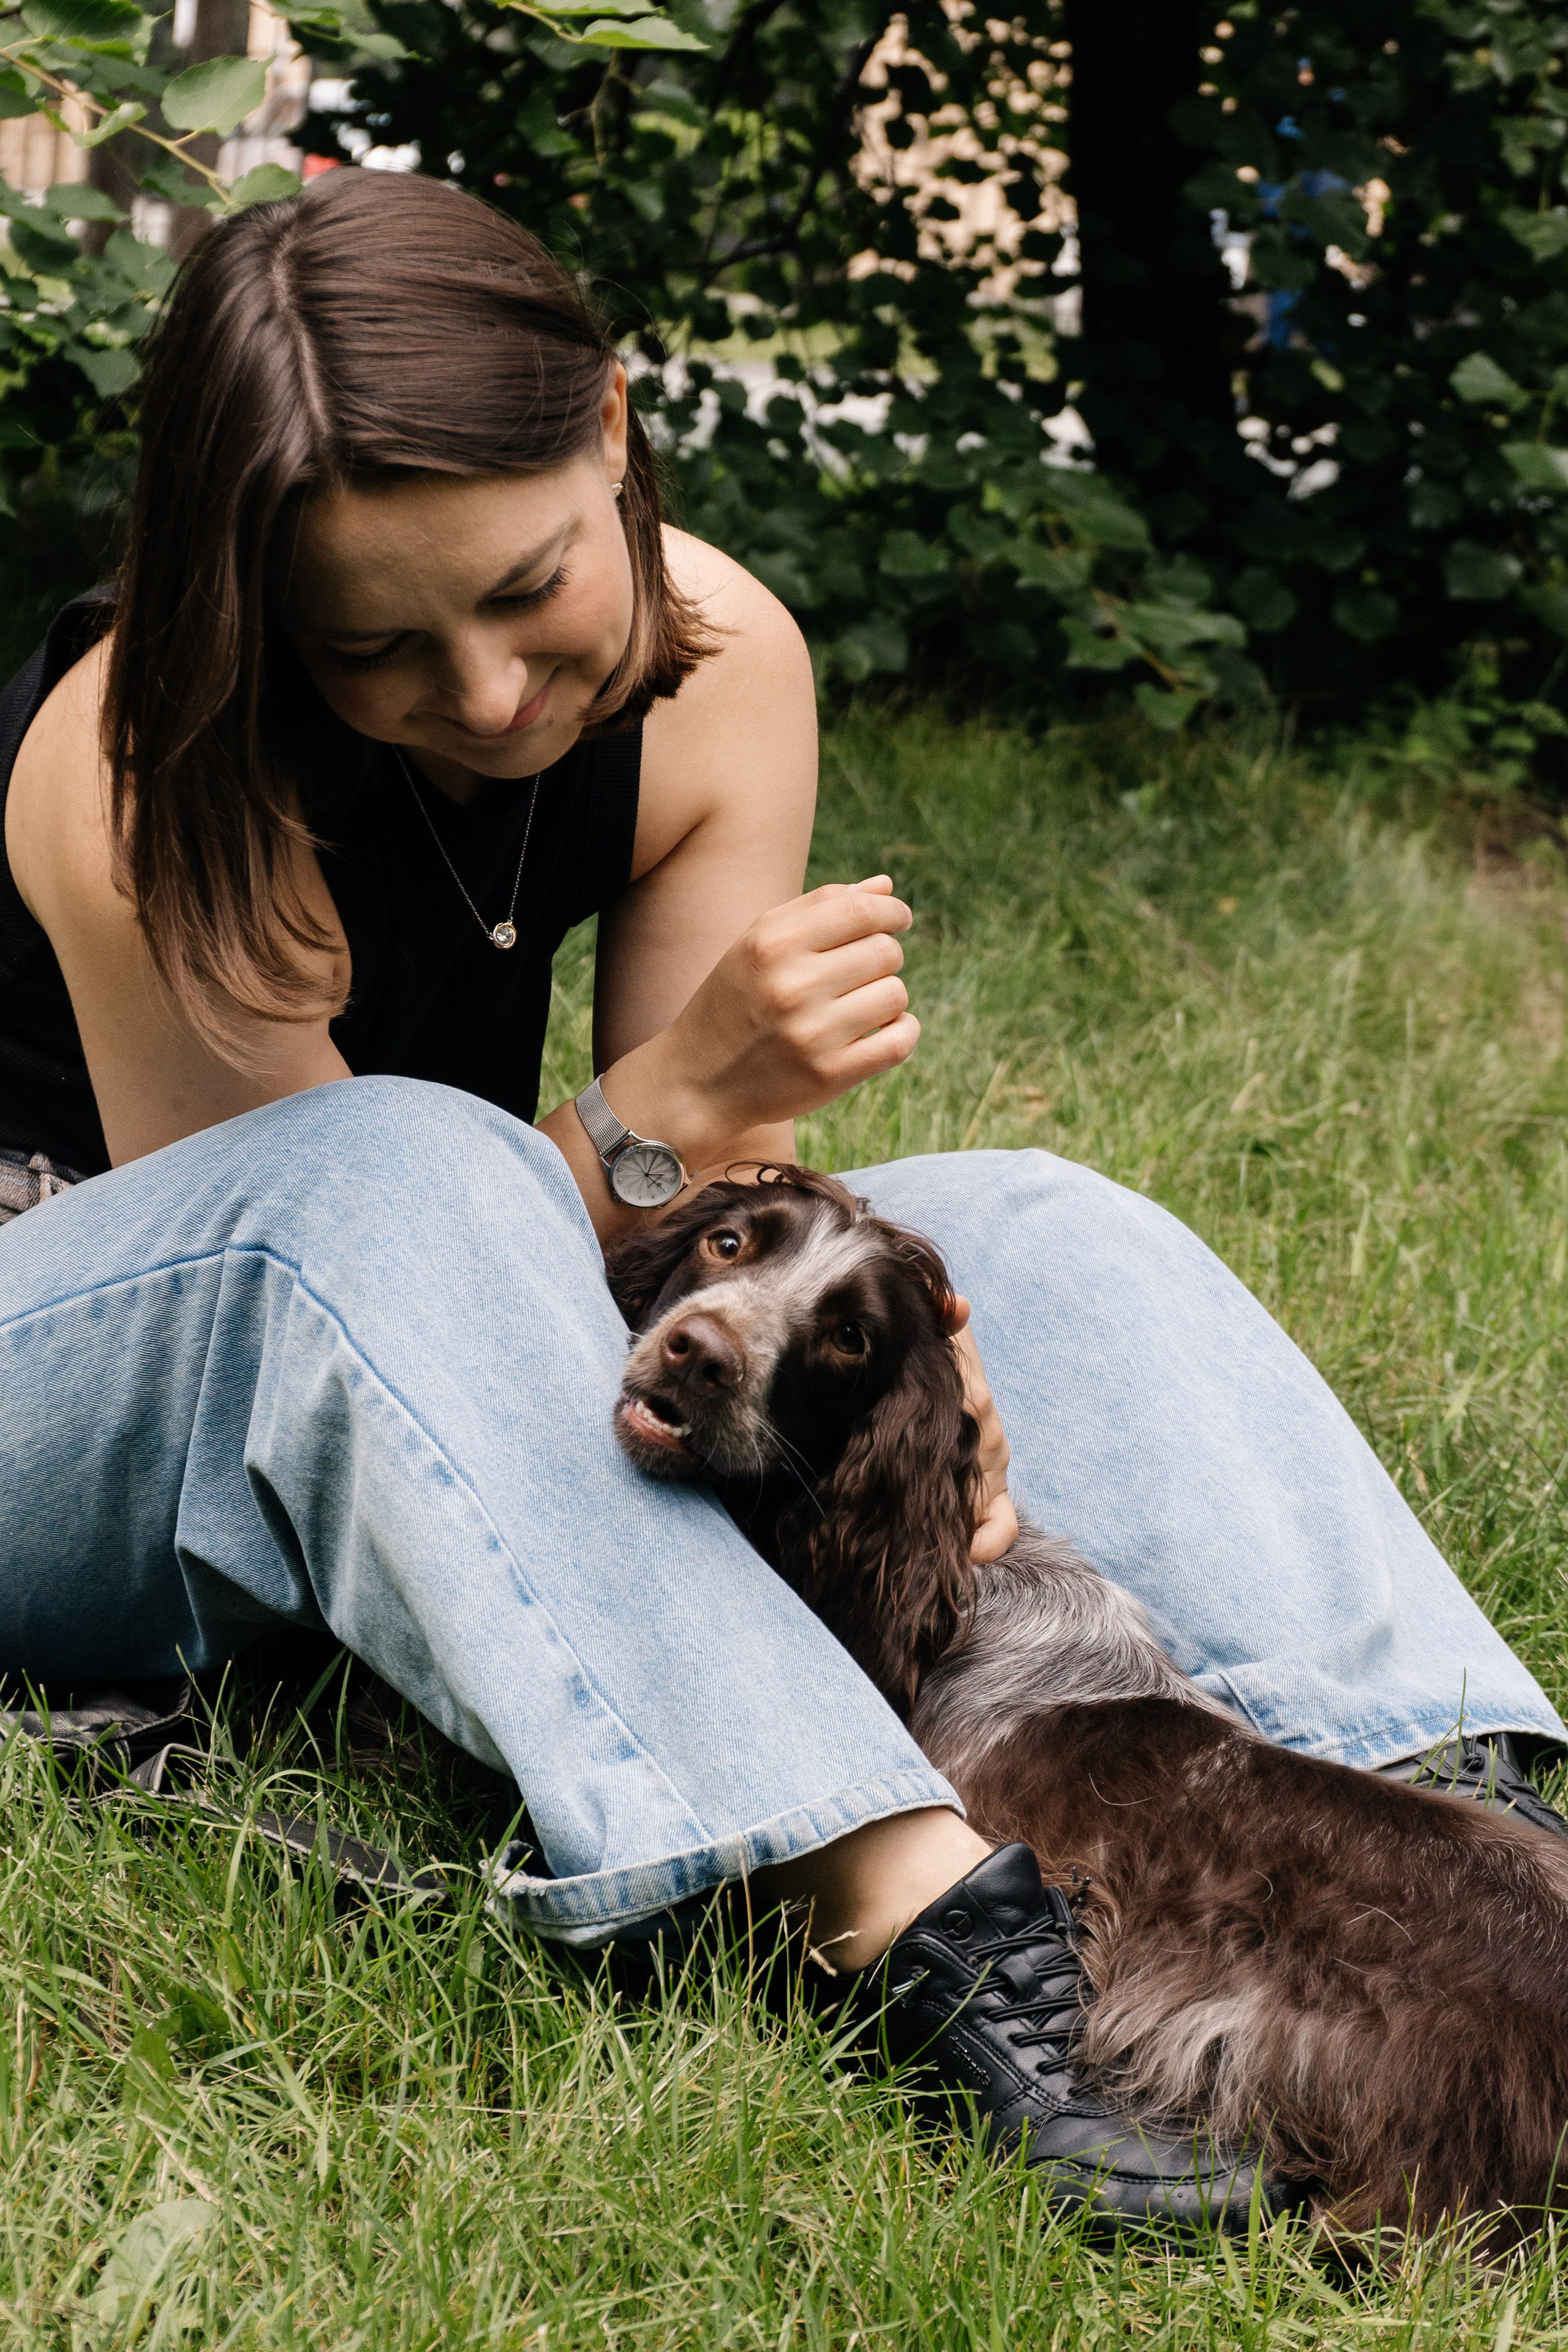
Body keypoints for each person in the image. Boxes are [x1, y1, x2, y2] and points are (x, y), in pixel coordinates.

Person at [1, 168, 1561, 2234]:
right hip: (81, 1373)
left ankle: (1439, 1820)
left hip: (400, 1276)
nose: (489, 693)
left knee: (1025, 1224)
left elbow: (693, 1245)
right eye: (370, 646)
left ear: (614, 431)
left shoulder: (720, 661)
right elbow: (334, 1290)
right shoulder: (142, 762)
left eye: (529, 590)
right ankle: (907, 1915)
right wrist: (668, 1100)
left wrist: (883, 1354)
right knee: (408, 1160)